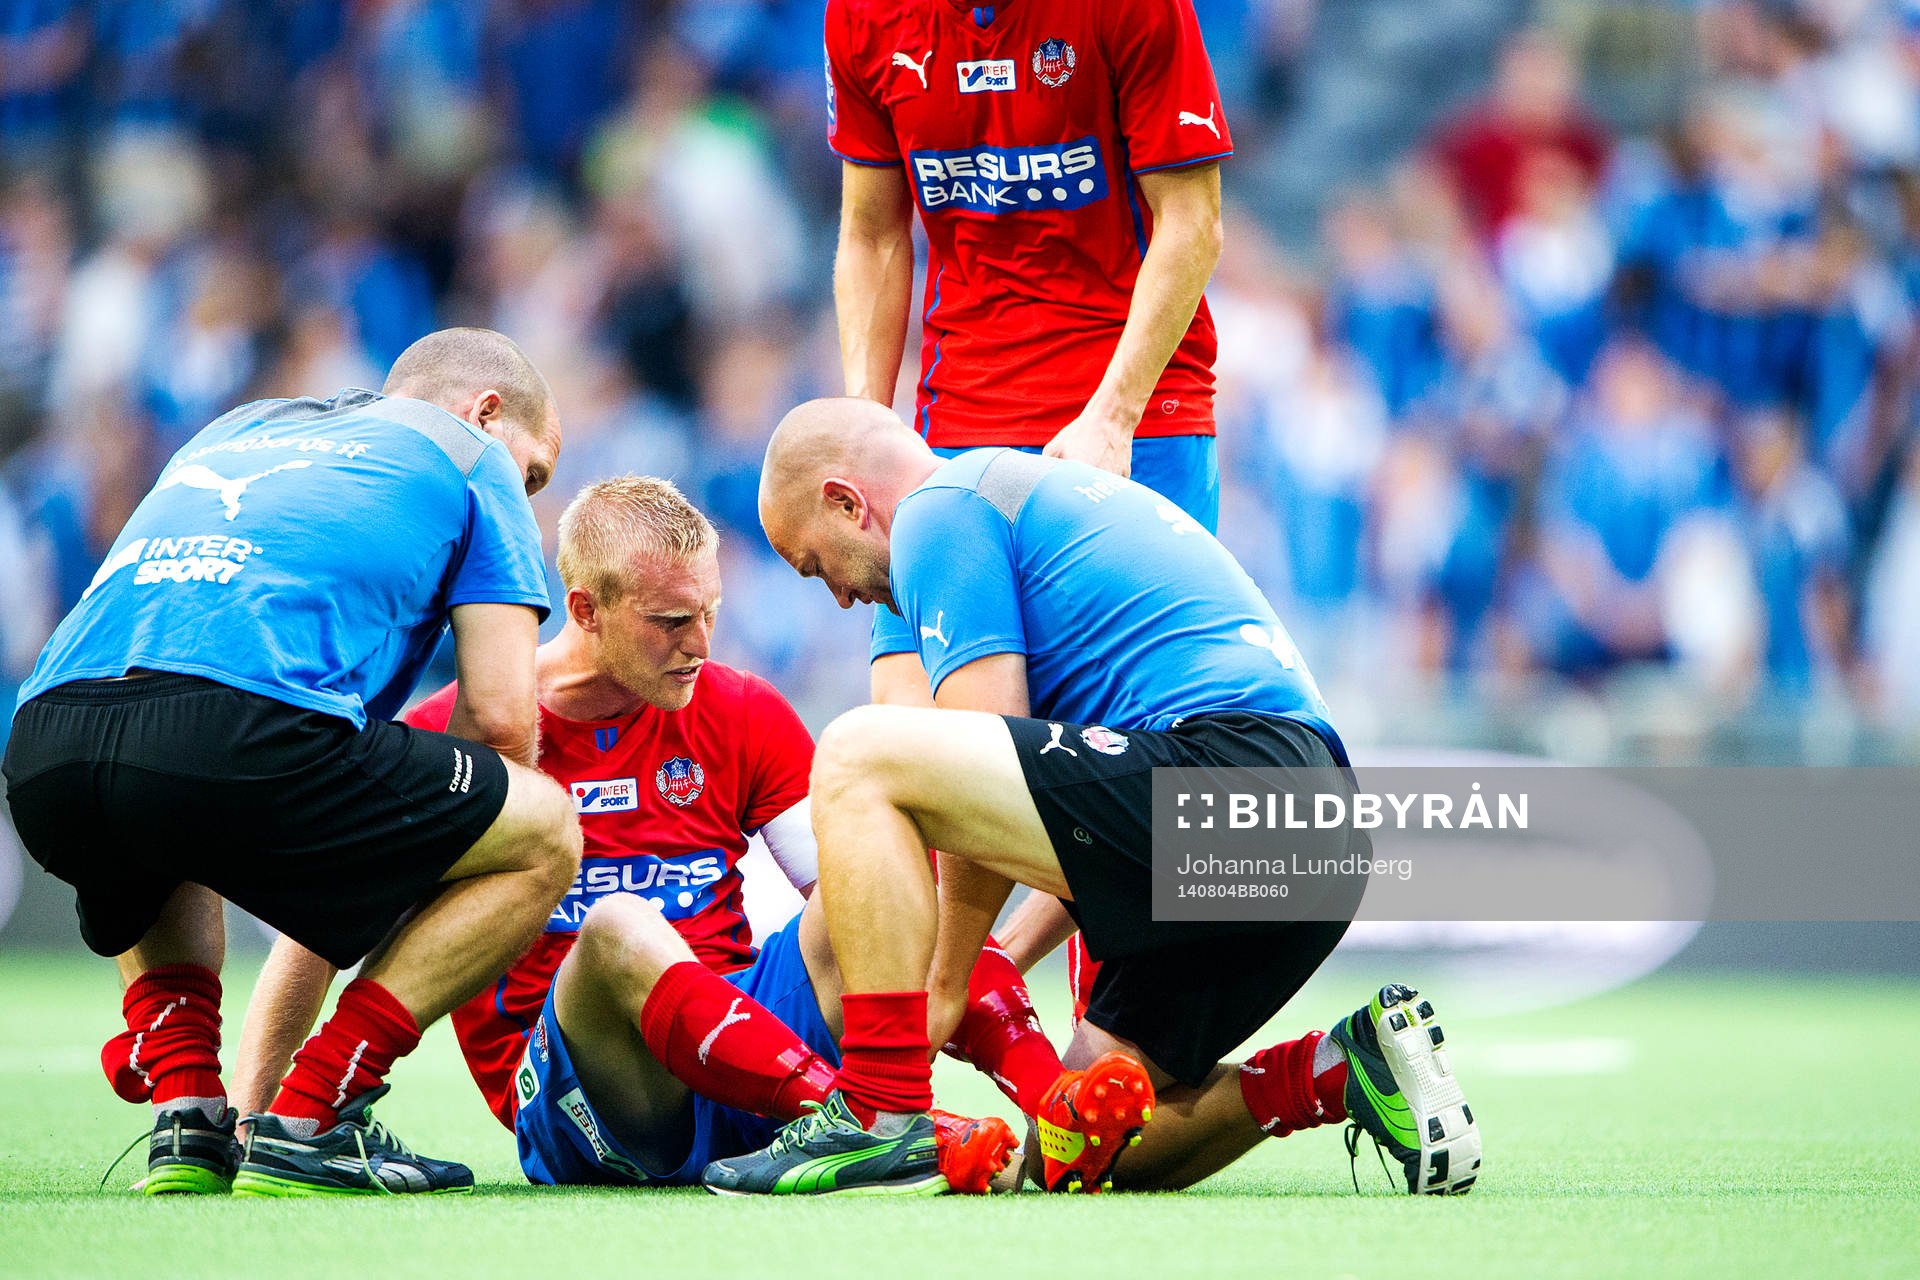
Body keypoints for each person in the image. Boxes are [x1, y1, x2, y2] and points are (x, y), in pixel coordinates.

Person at [234, 475, 1140, 1195]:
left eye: (709, 611)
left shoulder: (739, 708)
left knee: (897, 890)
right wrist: (258, 1111)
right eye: (671, 622)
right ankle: (863, 1123)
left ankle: (1053, 1105)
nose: (701, 643)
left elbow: (861, 906)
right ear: (584, 611)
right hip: (589, 1096)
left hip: (748, 1041)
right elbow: (317, 938)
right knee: (621, 925)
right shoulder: (457, 734)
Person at [711, 397, 1483, 1197]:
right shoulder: (1026, 516)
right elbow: (1068, 826)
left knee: (856, 752)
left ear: (846, 501)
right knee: (1079, 1146)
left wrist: (944, 986)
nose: (836, 596)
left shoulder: (940, 508)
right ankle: (1336, 1071)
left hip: (1237, 772)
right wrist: (1001, 957)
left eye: (814, 564)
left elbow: (979, 757)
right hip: (1311, 832)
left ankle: (878, 1107)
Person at [1, 328, 584, 1197]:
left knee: (170, 803)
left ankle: (188, 1113)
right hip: (234, 740)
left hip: (46, 746)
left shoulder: (237, 429)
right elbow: (500, 720)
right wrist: (427, 860)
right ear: (487, 412)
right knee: (543, 828)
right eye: (534, 473)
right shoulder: (473, 455)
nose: (527, 494)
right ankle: (320, 1109)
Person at [827, 0, 1236, 1035]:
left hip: (1136, 417)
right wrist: (863, 432)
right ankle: (896, 1076)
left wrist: (1113, 415)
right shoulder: (863, 18)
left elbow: (1193, 222)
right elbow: (874, 231)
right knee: (901, 754)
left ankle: (1044, 1005)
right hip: (952, 430)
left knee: (1137, 765)